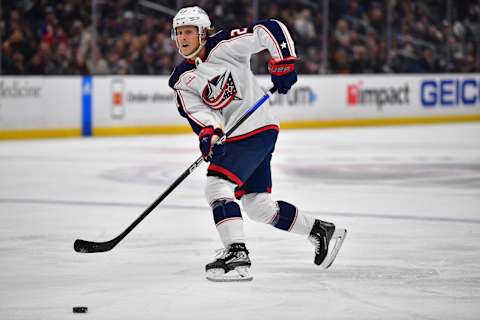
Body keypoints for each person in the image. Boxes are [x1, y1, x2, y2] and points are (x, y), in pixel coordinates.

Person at [168, 6, 347, 281]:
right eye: (179, 33)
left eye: (189, 31)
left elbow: (270, 29)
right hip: (241, 136)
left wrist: (283, 62)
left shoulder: (225, 45)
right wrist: (209, 133)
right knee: (258, 206)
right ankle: (319, 230)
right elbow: (199, 114)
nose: (182, 38)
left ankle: (236, 253)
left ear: (204, 33)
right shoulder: (181, 80)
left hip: (256, 129)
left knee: (217, 185)